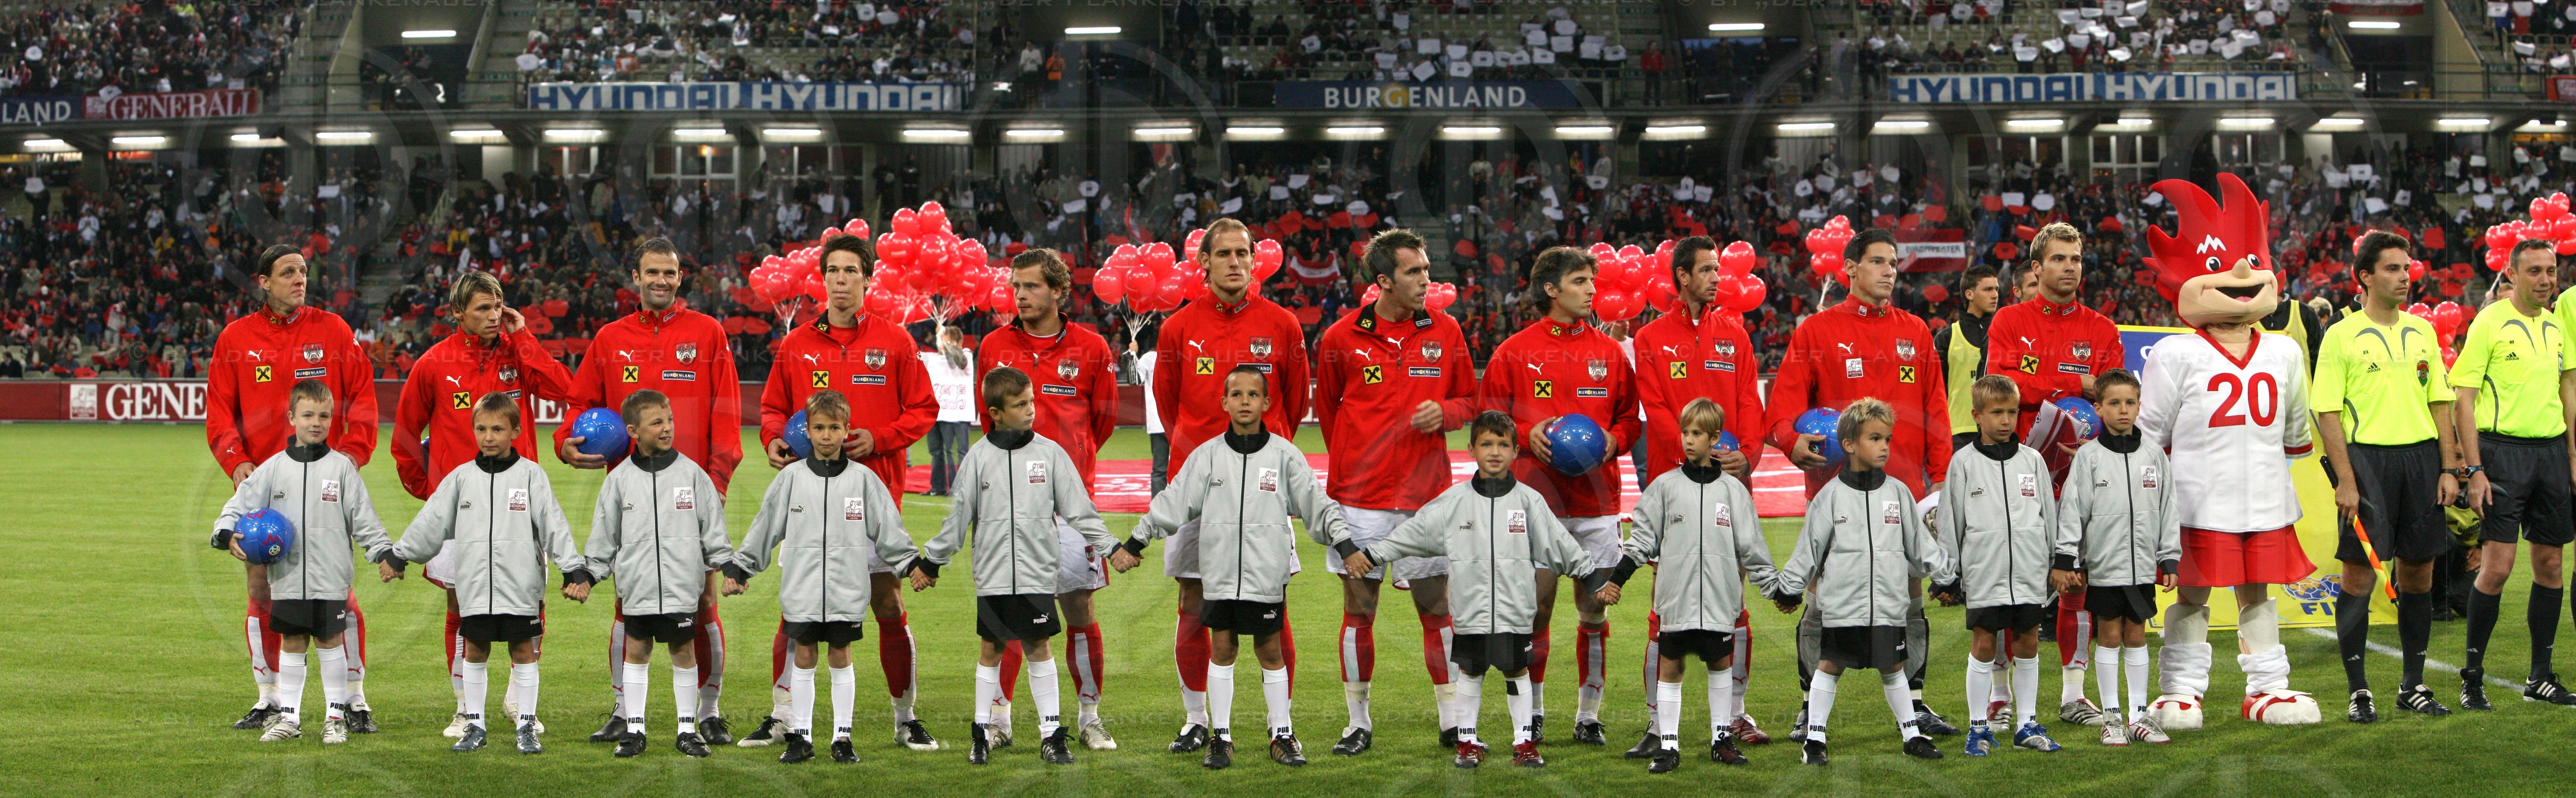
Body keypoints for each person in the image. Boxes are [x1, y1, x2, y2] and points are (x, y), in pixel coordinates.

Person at [2137, 173, 2323, 729]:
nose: (2242, 275)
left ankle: (2268, 687)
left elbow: (2294, 428)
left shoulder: (2285, 352)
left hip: (2264, 495)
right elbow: (2149, 435)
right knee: (2192, 593)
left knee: (2258, 593)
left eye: (2251, 260)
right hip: (2197, 499)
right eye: (2221, 265)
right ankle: (2181, 690)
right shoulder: (2175, 353)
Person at [1343, 411, 1616, 769]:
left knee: (1517, 672)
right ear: (1471, 449)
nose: (1494, 452)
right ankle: (1467, 741)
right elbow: (1413, 533)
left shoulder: (1529, 502)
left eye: (1503, 444)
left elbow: (1560, 544)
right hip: (1470, 611)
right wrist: (1372, 554)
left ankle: (1524, 743)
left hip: (1515, 611)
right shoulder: (1452, 502)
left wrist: (1594, 578)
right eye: (1486, 443)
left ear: (1516, 451)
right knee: (1470, 674)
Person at [552, 237, 744, 747]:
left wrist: (718, 483)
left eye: (670, 273)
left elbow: (726, 415)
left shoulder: (708, 333)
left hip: (691, 493)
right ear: (635, 278)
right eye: (652, 272)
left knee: (702, 603)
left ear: (681, 278)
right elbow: (579, 405)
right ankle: (623, 709)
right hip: (632, 492)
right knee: (627, 603)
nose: (661, 280)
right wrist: (564, 442)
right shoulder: (611, 337)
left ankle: (708, 710)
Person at [1764, 228, 1954, 738]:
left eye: (1893, 262)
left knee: (1909, 596)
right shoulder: (1816, 331)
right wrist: (1791, 440)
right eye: (1877, 261)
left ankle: (1914, 703)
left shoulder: (1916, 330)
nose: (1889, 270)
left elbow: (1936, 406)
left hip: (1905, 489)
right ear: (1849, 267)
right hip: (1836, 492)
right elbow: (1781, 408)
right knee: (1823, 597)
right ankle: (1810, 705)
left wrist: (1940, 476)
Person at [1115, 365, 1354, 768]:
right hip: (1220, 574)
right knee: (1222, 649)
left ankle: (1282, 734)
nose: (1245, 401)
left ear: (1267, 403)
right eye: (1237, 395)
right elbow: (1174, 502)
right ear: (1224, 402)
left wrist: (1345, 543)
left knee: (1270, 649)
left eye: (1253, 395)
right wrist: (1137, 541)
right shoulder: (1207, 456)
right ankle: (1221, 738)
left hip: (1265, 576)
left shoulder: (1284, 455)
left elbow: (1318, 504)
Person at [757, 231, 942, 751]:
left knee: (887, 601)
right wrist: (774, 438)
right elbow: (773, 408)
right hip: (809, 501)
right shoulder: (795, 345)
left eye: (851, 271)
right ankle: (782, 715)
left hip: (873, 498)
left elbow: (924, 408)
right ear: (823, 278)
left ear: (868, 277)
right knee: (796, 608)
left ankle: (905, 716)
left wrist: (879, 438)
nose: (841, 280)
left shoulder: (896, 341)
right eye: (833, 271)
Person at [1310, 229, 1478, 753]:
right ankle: (1358, 721)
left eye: (1426, 268)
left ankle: (1452, 720)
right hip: (1360, 499)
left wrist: (1445, 412)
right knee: (1359, 609)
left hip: (1425, 497)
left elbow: (1470, 400)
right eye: (1414, 271)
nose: (1426, 279)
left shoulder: (1446, 330)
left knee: (1437, 607)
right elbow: (1332, 412)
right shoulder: (1340, 337)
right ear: (1383, 280)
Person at [392, 270, 578, 739]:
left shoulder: (519, 354)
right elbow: (405, 436)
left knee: (531, 604)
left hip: (520, 507)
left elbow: (566, 389)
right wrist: (430, 491)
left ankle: (519, 699)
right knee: (462, 607)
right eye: (483, 308)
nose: (495, 316)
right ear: (459, 312)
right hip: (463, 515)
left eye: (499, 306)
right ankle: (464, 707)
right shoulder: (434, 363)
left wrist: (526, 338)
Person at [1151, 217, 1311, 752]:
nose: (1237, 262)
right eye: (1224, 253)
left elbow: (1297, 400)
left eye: (1244, 252)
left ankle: (1279, 726)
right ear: (1205, 263)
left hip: (1265, 488)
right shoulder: (1177, 328)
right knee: (1194, 600)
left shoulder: (1283, 323)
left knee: (1272, 600)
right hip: (1201, 491)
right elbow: (1169, 406)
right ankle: (1198, 719)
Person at [206, 244, 380, 734]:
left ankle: (353, 697)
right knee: (262, 590)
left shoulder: (333, 331)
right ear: (263, 280)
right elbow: (220, 411)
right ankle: (270, 696)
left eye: (303, 272)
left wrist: (352, 455)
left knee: (336, 594)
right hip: (267, 488)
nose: (299, 279)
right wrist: (237, 462)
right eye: (287, 272)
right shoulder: (236, 339)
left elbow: (363, 396)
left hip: (323, 483)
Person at [911, 365, 1117, 766]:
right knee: (992, 648)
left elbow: (1081, 511)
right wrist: (932, 563)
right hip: (992, 576)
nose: (1031, 410)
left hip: (1039, 573)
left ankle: (1052, 735)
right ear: (995, 412)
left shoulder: (1050, 454)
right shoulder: (977, 459)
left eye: (1032, 401)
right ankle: (981, 730)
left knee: (1039, 647)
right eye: (1020, 404)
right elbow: (957, 520)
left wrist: (1112, 547)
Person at [1478, 245, 1640, 744]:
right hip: (1535, 503)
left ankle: (1589, 715)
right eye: (1579, 281)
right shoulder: (1514, 351)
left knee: (1595, 610)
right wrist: (1527, 435)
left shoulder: (1610, 352)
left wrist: (1615, 438)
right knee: (1535, 612)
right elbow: (1489, 420)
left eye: (1592, 281)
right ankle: (1535, 711)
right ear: (1551, 289)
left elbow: (1631, 418)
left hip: (1597, 506)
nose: (1592, 289)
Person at [375, 392, 595, 754]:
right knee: (474, 650)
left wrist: (572, 569)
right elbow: (431, 522)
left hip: (520, 586)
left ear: (516, 431)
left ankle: (526, 726)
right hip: (475, 586)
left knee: (523, 650)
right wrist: (400, 556)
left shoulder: (531, 476)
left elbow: (554, 525)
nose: (489, 436)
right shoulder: (461, 478)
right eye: (482, 428)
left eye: (497, 429)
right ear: (473, 430)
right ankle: (474, 725)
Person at [723, 389, 927, 765]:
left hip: (846, 591)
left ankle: (842, 737)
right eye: (819, 428)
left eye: (835, 428)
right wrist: (741, 567)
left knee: (841, 657)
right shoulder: (791, 480)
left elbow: (889, 532)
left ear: (848, 430)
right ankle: (801, 737)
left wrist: (912, 565)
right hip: (801, 590)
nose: (827, 436)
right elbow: (765, 527)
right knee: (803, 657)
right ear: (808, 431)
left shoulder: (864, 480)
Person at [1626, 236, 1772, 753]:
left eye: (1718, 268)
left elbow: (1751, 403)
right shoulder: (1649, 337)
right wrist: (1694, 455)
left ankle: (1733, 716)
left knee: (1733, 604)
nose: (1717, 277)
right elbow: (1658, 409)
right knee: (1663, 606)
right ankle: (1654, 724)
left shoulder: (1735, 332)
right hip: (1677, 487)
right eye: (1707, 269)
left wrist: (1747, 454)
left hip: (1730, 483)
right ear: (1682, 276)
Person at [976, 248, 1124, 750]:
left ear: (1059, 291)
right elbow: (988, 421)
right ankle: (999, 719)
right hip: (1009, 507)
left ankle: (1089, 716)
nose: (1021, 295)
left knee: (1079, 607)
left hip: (1068, 509)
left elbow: (1102, 421)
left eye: (1032, 286)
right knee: (1003, 615)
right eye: (1016, 286)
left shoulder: (1093, 347)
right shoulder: (994, 344)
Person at [2312, 230, 2464, 720]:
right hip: (2368, 463)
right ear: (2365, 276)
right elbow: (2328, 413)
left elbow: (2440, 403)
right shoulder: (2340, 334)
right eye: (2393, 269)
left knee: (2418, 572)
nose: (2404, 277)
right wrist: (2346, 479)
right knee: (2358, 573)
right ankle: (2358, 689)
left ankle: (2412, 684)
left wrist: (2447, 467)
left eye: (2407, 268)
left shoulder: (2421, 332)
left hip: (2421, 462)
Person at [1980, 222, 2124, 728]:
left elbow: (2111, 397)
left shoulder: (2103, 329)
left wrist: (2048, 385)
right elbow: (2003, 385)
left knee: (2078, 586)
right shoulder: (2007, 321)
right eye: (2059, 259)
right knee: (2005, 587)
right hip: (2017, 473)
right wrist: (2072, 382)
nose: (2069, 267)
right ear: (2036, 268)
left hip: (2082, 477)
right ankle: (1998, 694)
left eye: (2076, 259)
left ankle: (2072, 693)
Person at [1768, 398, 1957, 765]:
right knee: (1830, 665)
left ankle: (1911, 735)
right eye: (1875, 438)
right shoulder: (1830, 497)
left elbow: (1922, 548)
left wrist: (1949, 578)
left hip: (1888, 605)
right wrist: (1790, 587)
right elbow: (1809, 549)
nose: (1884, 446)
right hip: (1843, 605)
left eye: (1887, 438)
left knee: (1893, 668)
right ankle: (1815, 740)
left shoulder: (1899, 493)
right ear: (1851, 444)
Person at [1600, 398, 1779, 772]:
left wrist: (1778, 591)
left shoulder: (1734, 491)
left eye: (1697, 433)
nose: (1689, 440)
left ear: (1716, 437)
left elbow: (1753, 549)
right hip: (1676, 601)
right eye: (1685, 432)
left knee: (1719, 666)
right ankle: (1668, 745)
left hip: (1719, 601)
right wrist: (1616, 581)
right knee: (1672, 669)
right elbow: (1641, 542)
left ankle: (1721, 740)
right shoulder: (1664, 487)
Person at [212, 379, 392, 745]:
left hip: (331, 579)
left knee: (330, 643)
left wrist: (385, 553)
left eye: (324, 416)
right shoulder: (273, 468)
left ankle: (335, 718)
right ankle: (290, 719)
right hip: (289, 577)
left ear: (332, 421)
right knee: (292, 642)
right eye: (308, 414)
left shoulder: (342, 469)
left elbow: (365, 521)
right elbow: (240, 503)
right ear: (292, 417)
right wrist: (225, 531)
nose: (317, 422)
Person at [583, 390, 736, 757]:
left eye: (669, 420)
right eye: (657, 422)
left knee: (684, 651)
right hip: (637, 585)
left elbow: (714, 530)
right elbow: (604, 536)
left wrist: (729, 566)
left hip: (682, 585)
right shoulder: (619, 480)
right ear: (633, 431)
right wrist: (587, 575)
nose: (667, 428)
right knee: (637, 651)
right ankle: (635, 730)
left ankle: (688, 730)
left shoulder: (693, 475)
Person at [2459, 238, 2576, 708]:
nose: (2546, 280)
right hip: (2501, 453)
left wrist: (2571, 456)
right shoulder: (2489, 321)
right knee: (2498, 567)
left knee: (2550, 564)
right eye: (2535, 271)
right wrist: (2474, 469)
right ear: (2511, 273)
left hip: (2550, 453)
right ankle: (2472, 677)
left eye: (2552, 271)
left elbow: (2568, 389)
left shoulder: (2556, 327)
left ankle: (2541, 677)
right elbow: (2464, 399)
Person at [1932, 376, 2063, 755]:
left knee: (2027, 643)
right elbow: (1950, 521)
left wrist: (2055, 561)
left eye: (2012, 412)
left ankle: (2026, 724)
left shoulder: (2033, 460)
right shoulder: (1964, 463)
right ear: (1977, 415)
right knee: (1985, 644)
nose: (2006, 420)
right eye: (1997, 413)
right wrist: (1948, 574)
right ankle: (1979, 728)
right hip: (1984, 572)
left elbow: (2048, 517)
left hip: (2028, 571)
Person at [2049, 368, 2179, 746]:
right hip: (2105, 565)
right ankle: (2112, 718)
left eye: (2130, 402)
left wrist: (2169, 557)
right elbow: (2073, 510)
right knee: (2109, 635)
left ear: (2140, 406)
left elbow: (2168, 508)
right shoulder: (2089, 457)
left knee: (2136, 635)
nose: (2123, 410)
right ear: (2099, 408)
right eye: (2114, 403)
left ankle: (2140, 717)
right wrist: (2067, 558)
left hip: (2141, 566)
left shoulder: (2155, 455)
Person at [1935, 265, 2001, 451]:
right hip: (1960, 430)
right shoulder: (1947, 338)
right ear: (1970, 294)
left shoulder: (2005, 333)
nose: (1995, 295)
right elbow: (1937, 390)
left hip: (1998, 428)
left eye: (1996, 289)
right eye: (1988, 289)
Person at [925, 326, 975, 496]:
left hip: (958, 414)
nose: (942, 344)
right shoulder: (934, 359)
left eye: (947, 340)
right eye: (941, 340)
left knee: (957, 452)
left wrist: (945, 340)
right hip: (937, 414)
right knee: (936, 452)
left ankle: (959, 489)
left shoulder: (966, 354)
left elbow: (960, 361)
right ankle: (937, 487)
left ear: (958, 342)